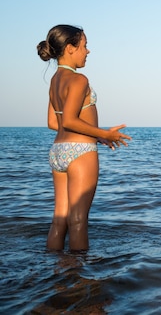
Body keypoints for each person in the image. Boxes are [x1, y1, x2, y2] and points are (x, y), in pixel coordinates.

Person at [37, 24, 131, 251]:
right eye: (84, 46)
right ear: (70, 48)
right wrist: (105, 133)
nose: (87, 51)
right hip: (80, 152)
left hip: (58, 152)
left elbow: (54, 123)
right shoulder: (79, 80)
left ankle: (55, 274)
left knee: (60, 218)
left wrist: (97, 137)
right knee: (78, 221)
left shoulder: (55, 80)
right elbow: (69, 120)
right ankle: (78, 280)